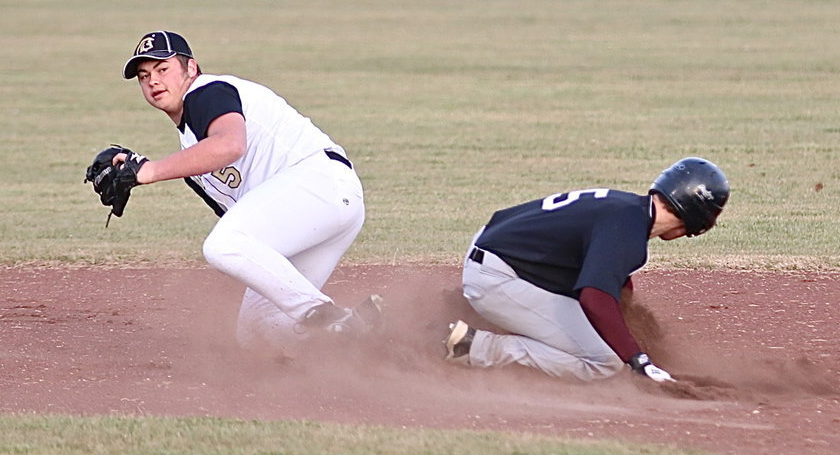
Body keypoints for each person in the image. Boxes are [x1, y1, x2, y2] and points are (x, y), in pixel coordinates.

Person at [103, 30, 381, 345]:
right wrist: (142, 164)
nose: (153, 81)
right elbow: (245, 219)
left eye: (163, 69)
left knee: (222, 244)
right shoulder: (193, 151)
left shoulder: (207, 92)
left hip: (318, 182)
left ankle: (333, 318)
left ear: (190, 69)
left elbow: (230, 144)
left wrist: (149, 171)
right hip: (317, 209)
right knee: (258, 333)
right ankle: (402, 339)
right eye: (144, 75)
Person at [444, 157, 729, 383]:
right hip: (497, 278)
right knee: (605, 362)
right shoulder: (627, 230)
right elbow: (594, 297)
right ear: (697, 224)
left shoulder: (626, 209)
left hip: (496, 256)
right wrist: (637, 359)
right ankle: (475, 348)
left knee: (599, 330)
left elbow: (613, 282)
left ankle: (472, 321)